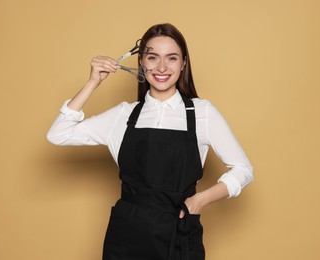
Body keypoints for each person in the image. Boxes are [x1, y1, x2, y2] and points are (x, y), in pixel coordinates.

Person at [47, 23, 253, 260]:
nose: (162, 67)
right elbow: (58, 134)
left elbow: (243, 170)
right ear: (141, 63)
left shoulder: (202, 113)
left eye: (172, 58)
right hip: (126, 236)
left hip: (179, 232)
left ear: (184, 63)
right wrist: (93, 82)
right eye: (153, 57)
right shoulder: (123, 115)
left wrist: (199, 200)